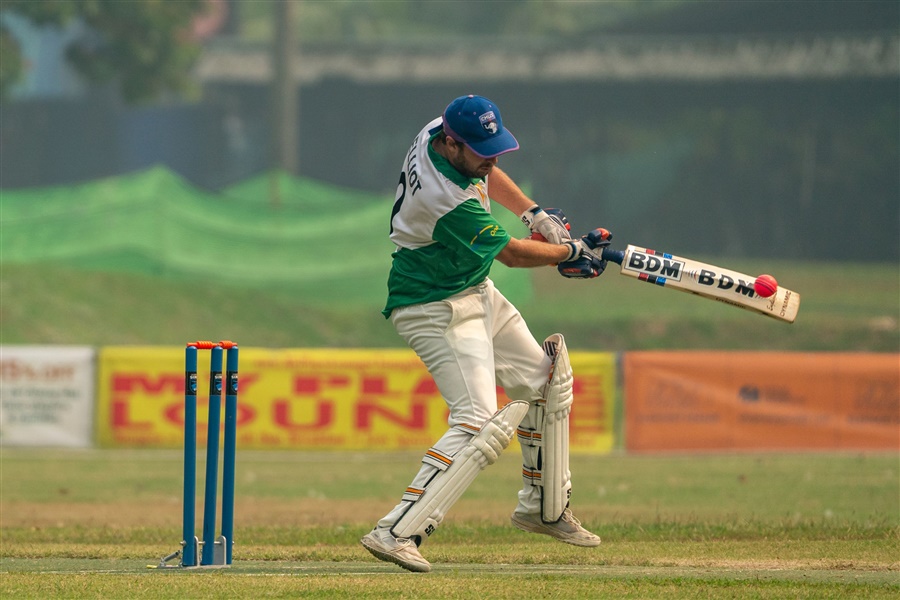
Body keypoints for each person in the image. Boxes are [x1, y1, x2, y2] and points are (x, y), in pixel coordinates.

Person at [361, 94, 611, 573]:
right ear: (452, 146)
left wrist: (534, 213)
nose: (491, 157)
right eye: (480, 149)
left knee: (547, 382)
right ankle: (395, 531)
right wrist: (572, 252)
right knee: (476, 421)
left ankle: (544, 507)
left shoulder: (444, 129)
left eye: (494, 145)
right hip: (432, 304)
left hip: (472, 286)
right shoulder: (443, 198)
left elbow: (487, 172)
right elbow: (515, 256)